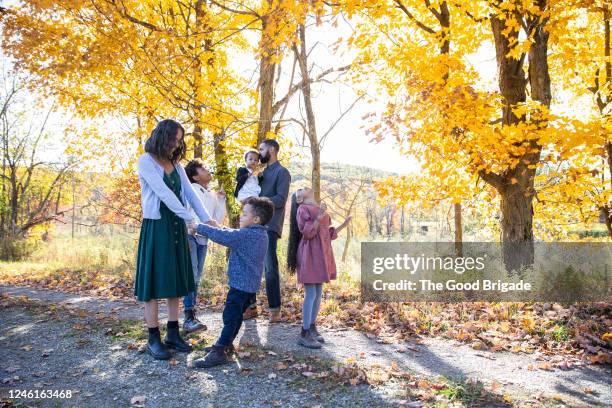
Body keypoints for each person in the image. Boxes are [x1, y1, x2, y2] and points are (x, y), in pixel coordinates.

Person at [134, 119, 214, 360]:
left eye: (179, 140)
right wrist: (189, 219)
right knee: (153, 284)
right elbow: (163, 193)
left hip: (177, 227)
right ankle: (153, 338)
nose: (176, 144)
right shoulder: (146, 161)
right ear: (162, 136)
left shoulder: (176, 165)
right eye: (173, 139)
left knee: (175, 283)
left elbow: (189, 193)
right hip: (158, 226)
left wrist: (206, 221)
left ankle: (173, 333)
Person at [189, 197, 275, 368]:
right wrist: (216, 226)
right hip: (249, 286)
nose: (240, 217)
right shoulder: (260, 234)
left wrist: (199, 226)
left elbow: (224, 236)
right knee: (235, 317)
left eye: (244, 214)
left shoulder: (246, 235)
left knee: (230, 317)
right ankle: (225, 344)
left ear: (256, 219)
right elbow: (230, 234)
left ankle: (219, 351)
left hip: (240, 286)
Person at [287, 187, 351, 349]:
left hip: (322, 256)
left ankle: (312, 327)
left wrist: (343, 225)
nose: (304, 187)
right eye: (300, 190)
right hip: (309, 255)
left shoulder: (317, 208)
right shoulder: (302, 209)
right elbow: (308, 233)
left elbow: (327, 234)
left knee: (318, 292)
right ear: (300, 199)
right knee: (311, 293)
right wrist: (320, 215)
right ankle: (304, 332)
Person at [243, 139, 291, 323]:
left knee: (270, 267)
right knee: (250, 266)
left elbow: (280, 199)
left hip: (270, 226)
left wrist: (257, 198)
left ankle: (275, 310)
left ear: (272, 150)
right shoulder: (261, 174)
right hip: (253, 225)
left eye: (262, 149)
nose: (259, 153)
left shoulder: (282, 172)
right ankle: (251, 307)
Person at [183, 159, 227, 333]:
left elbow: (216, 218)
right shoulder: (192, 190)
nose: (207, 170)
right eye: (202, 168)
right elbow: (185, 212)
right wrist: (187, 230)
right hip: (190, 236)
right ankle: (188, 317)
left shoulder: (211, 195)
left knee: (197, 276)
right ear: (194, 176)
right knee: (191, 275)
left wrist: (222, 201)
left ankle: (192, 314)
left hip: (204, 238)